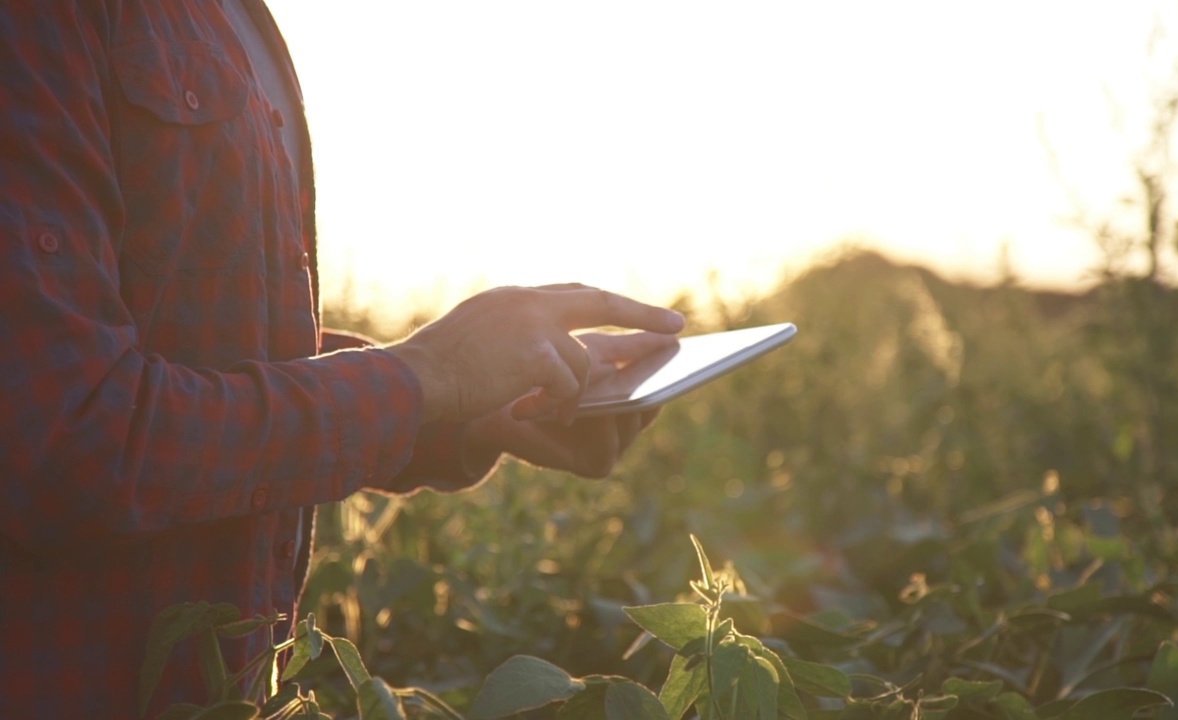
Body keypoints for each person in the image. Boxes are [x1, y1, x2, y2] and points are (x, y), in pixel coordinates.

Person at [0, 2, 684, 717]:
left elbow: (218, 351)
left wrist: (466, 409)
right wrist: (429, 375)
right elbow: (65, 438)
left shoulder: (237, 20)